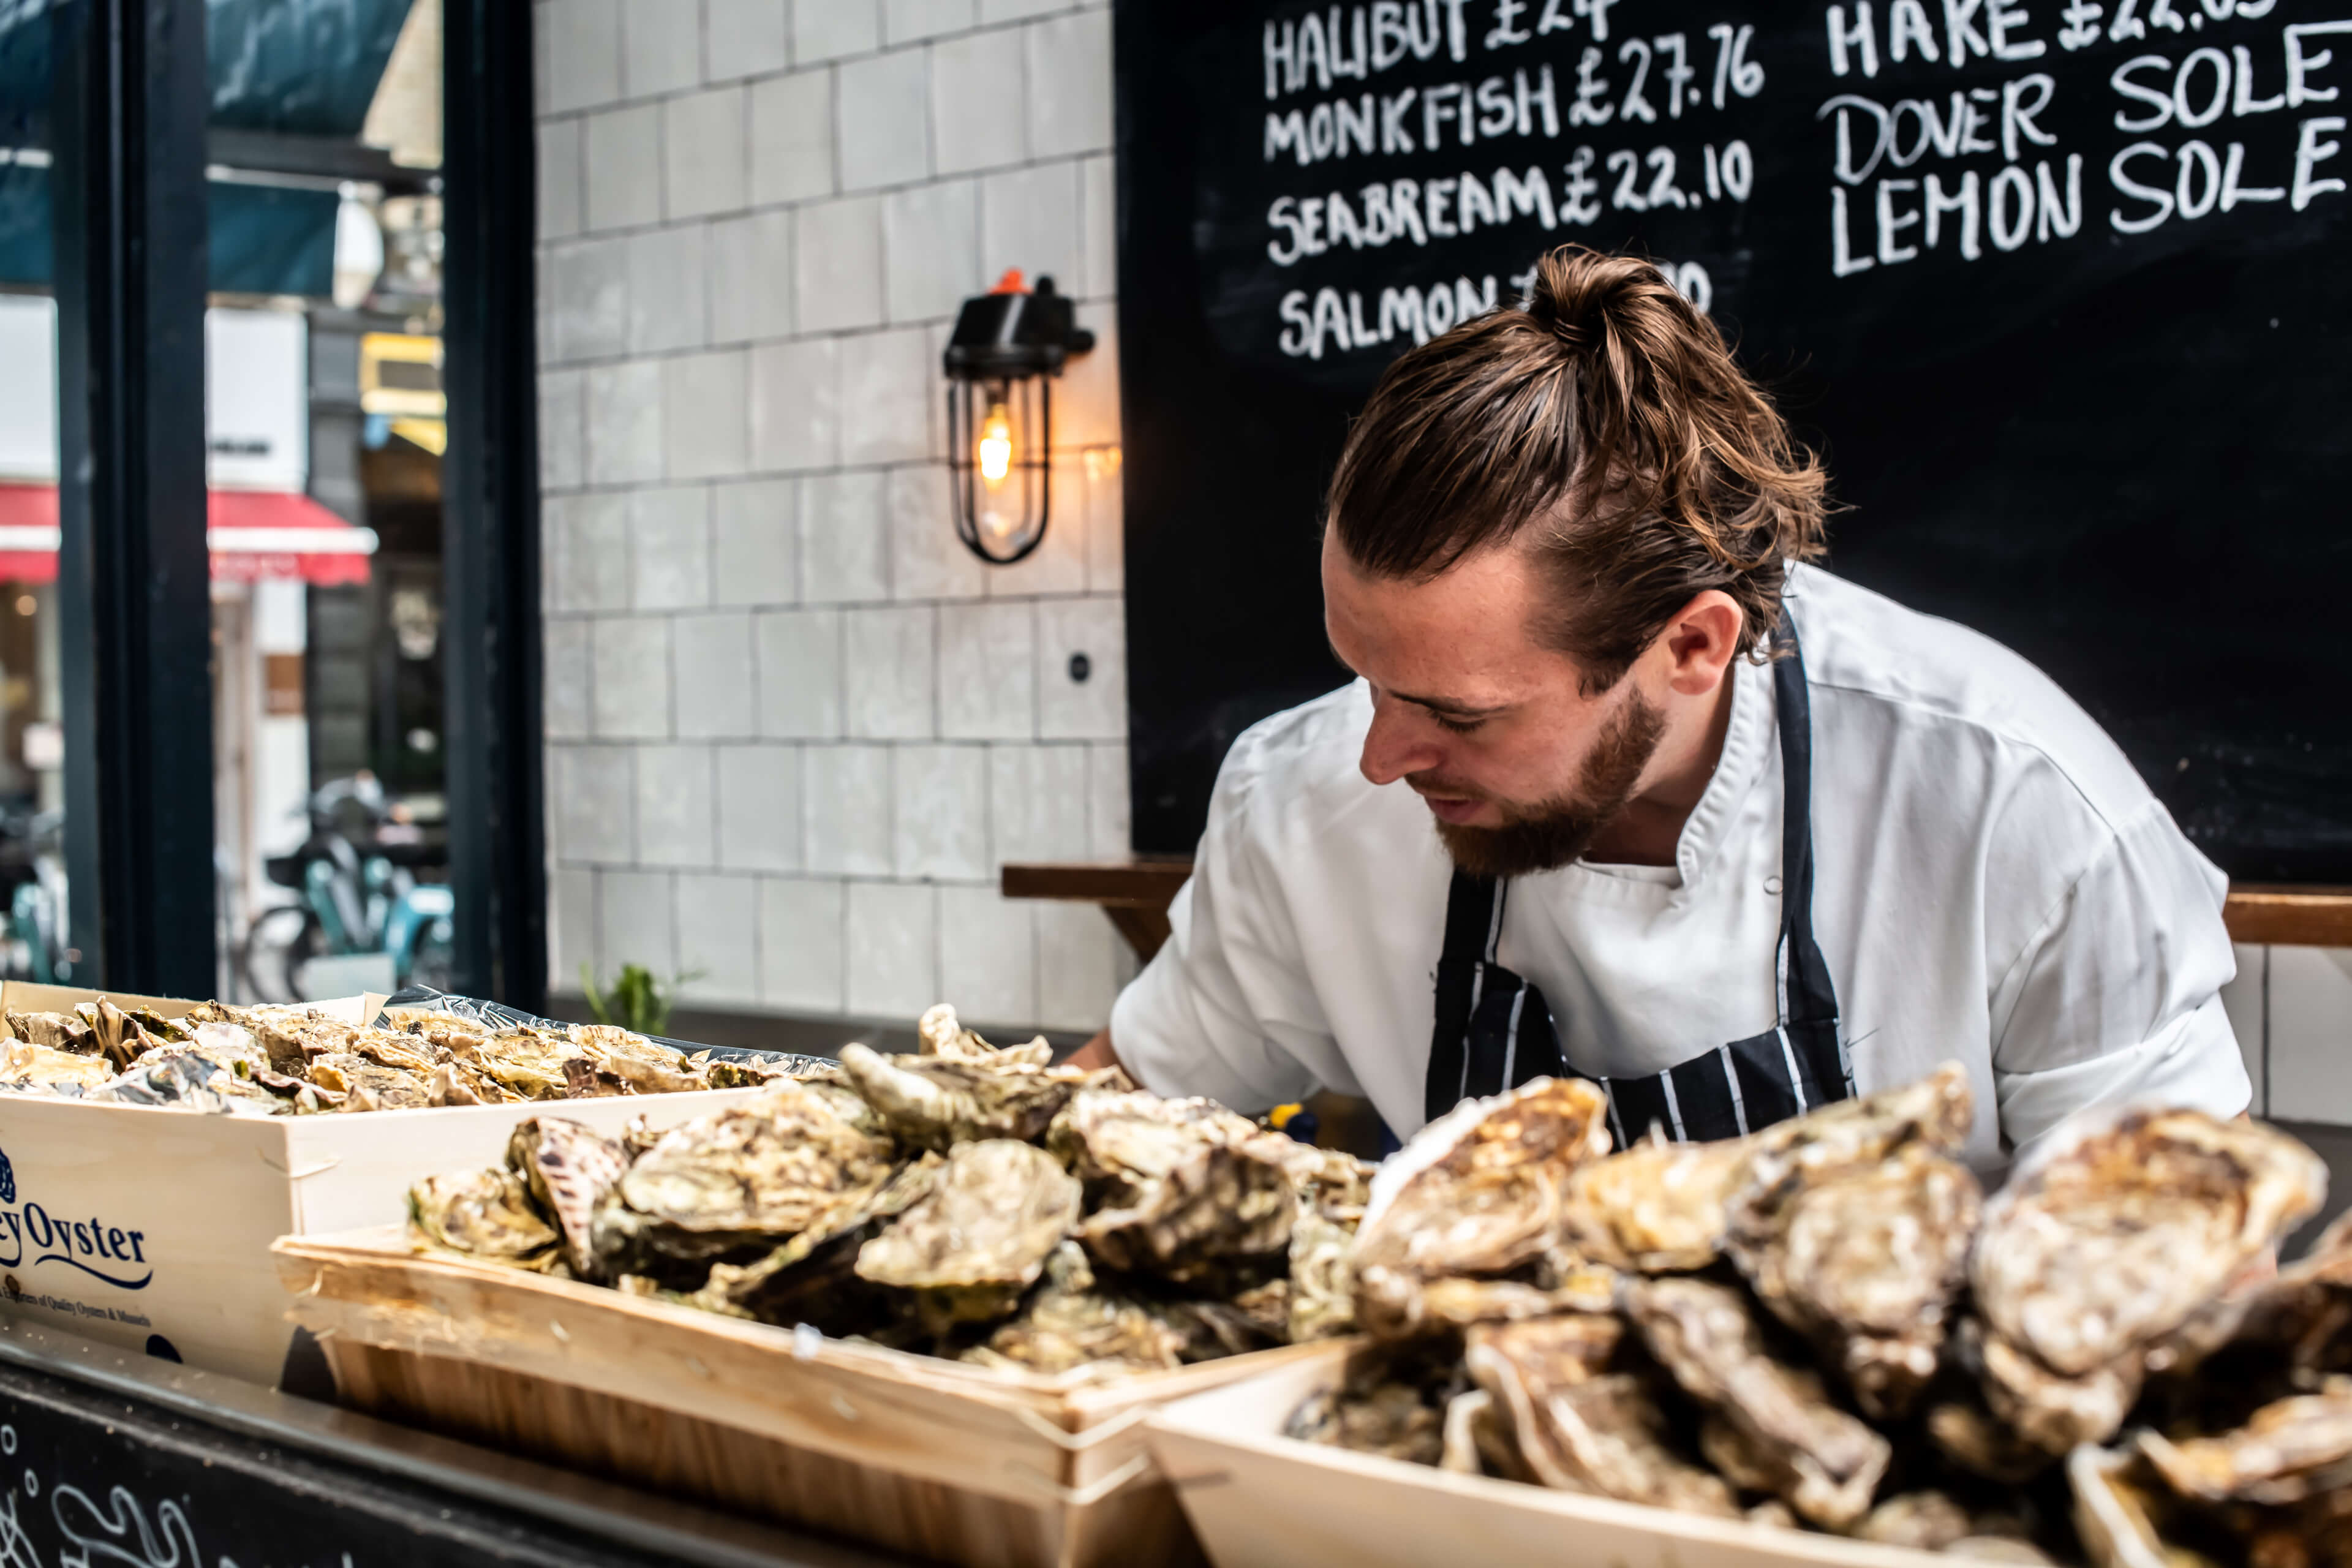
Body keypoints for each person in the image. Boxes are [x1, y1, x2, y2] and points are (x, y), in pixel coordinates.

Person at [1071, 244, 2248, 1171]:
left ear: (1691, 644)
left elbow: (2173, 1257)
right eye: (1365, 679)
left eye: (1459, 713)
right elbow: (1124, 1103)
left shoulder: (2020, 810)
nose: (1381, 755)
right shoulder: (1302, 806)